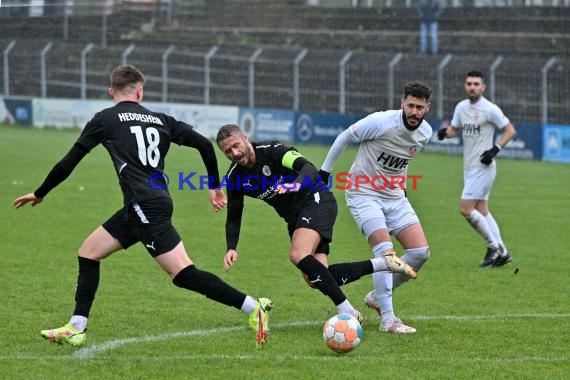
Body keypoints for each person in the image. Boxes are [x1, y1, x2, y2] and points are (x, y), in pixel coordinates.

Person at [12, 64, 272, 349]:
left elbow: (69, 161)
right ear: (140, 91)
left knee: (183, 273)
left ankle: (252, 307)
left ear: (112, 92)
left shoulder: (105, 119)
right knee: (89, 252)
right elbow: (205, 146)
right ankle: (77, 326)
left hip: (144, 206)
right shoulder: (160, 119)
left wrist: (41, 192)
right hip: (145, 205)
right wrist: (213, 186)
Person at [215, 124, 417, 324]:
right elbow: (234, 213)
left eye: (236, 145)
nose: (234, 152)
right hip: (295, 219)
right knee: (317, 277)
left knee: (297, 254)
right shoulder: (234, 177)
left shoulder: (273, 150)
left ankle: (348, 311)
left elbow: (308, 168)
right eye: (228, 151)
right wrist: (231, 247)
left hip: (316, 200)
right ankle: (384, 263)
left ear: (246, 139)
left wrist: (297, 184)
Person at [319, 81, 434, 334]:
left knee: (420, 252)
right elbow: (344, 137)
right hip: (363, 193)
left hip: (394, 196)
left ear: (428, 108)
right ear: (402, 103)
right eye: (410, 105)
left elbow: (403, 160)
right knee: (387, 255)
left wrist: (401, 187)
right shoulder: (380, 122)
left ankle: (376, 297)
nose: (414, 111)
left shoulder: (425, 132)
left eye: (420, 107)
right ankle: (388, 320)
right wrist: (324, 171)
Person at [437, 70, 515, 267]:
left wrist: (495, 149)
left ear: (483, 87)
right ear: (465, 86)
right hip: (468, 167)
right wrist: (445, 134)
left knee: (465, 209)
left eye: (476, 84)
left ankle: (495, 247)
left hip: (484, 167)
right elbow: (455, 129)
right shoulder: (461, 107)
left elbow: (509, 130)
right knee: (482, 210)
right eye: (469, 83)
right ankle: (502, 251)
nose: (472, 87)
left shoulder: (490, 109)